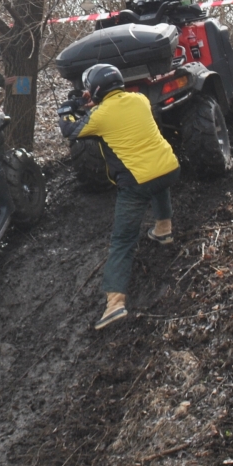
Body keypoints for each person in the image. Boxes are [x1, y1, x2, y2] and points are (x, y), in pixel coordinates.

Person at [59, 63, 181, 330]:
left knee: (122, 241)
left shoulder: (100, 115)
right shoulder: (139, 99)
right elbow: (114, 113)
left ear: (96, 89)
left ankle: (114, 304)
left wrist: (67, 111)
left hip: (137, 182)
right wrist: (92, 103)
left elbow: (71, 131)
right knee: (157, 179)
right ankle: (164, 229)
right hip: (170, 167)